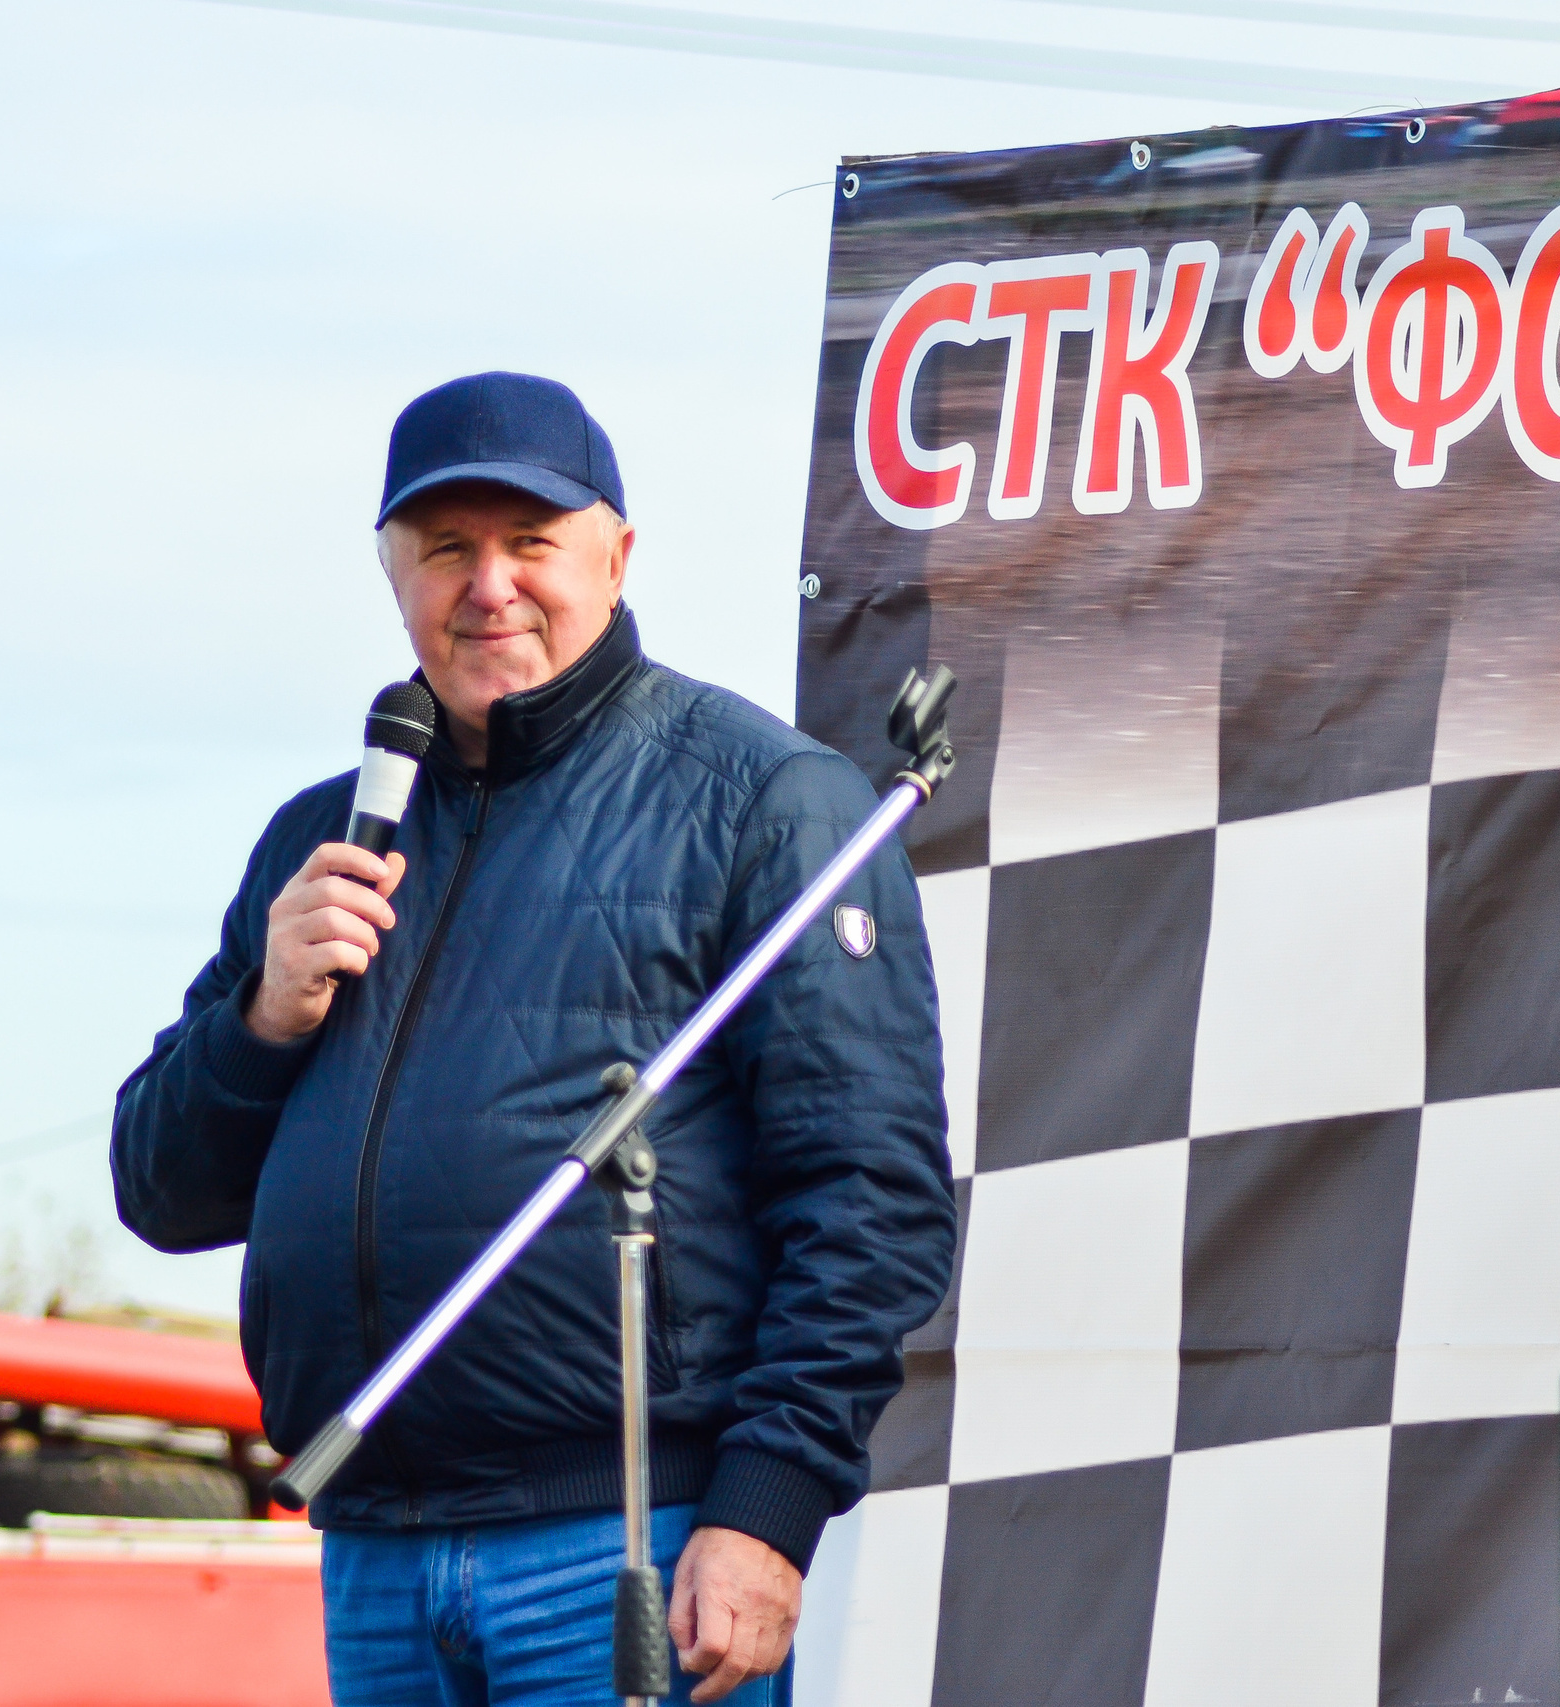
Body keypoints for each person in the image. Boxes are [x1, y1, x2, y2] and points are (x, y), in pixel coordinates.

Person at [112, 371, 954, 1705]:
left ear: (617, 556)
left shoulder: (765, 799)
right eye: (447, 548)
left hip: (630, 1543)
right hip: (378, 1552)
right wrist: (266, 1017)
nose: (488, 584)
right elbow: (160, 1190)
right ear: (394, 575)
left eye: (531, 543)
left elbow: (873, 1198)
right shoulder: (319, 838)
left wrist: (765, 1508)